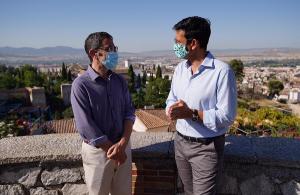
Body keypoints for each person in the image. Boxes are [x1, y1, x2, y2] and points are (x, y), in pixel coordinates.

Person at [166, 16, 237, 195]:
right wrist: (172, 110)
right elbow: (171, 98)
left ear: (193, 43)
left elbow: (226, 117)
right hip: (180, 143)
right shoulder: (180, 69)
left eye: (178, 41)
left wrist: (191, 113)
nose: (175, 45)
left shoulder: (222, 72)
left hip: (206, 148)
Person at [71, 32, 135, 195]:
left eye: (115, 48)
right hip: (98, 153)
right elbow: (85, 125)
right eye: (109, 48)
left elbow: (129, 112)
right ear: (94, 53)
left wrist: (122, 144)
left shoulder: (120, 81)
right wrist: (114, 150)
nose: (114, 52)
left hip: (123, 148)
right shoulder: (81, 85)